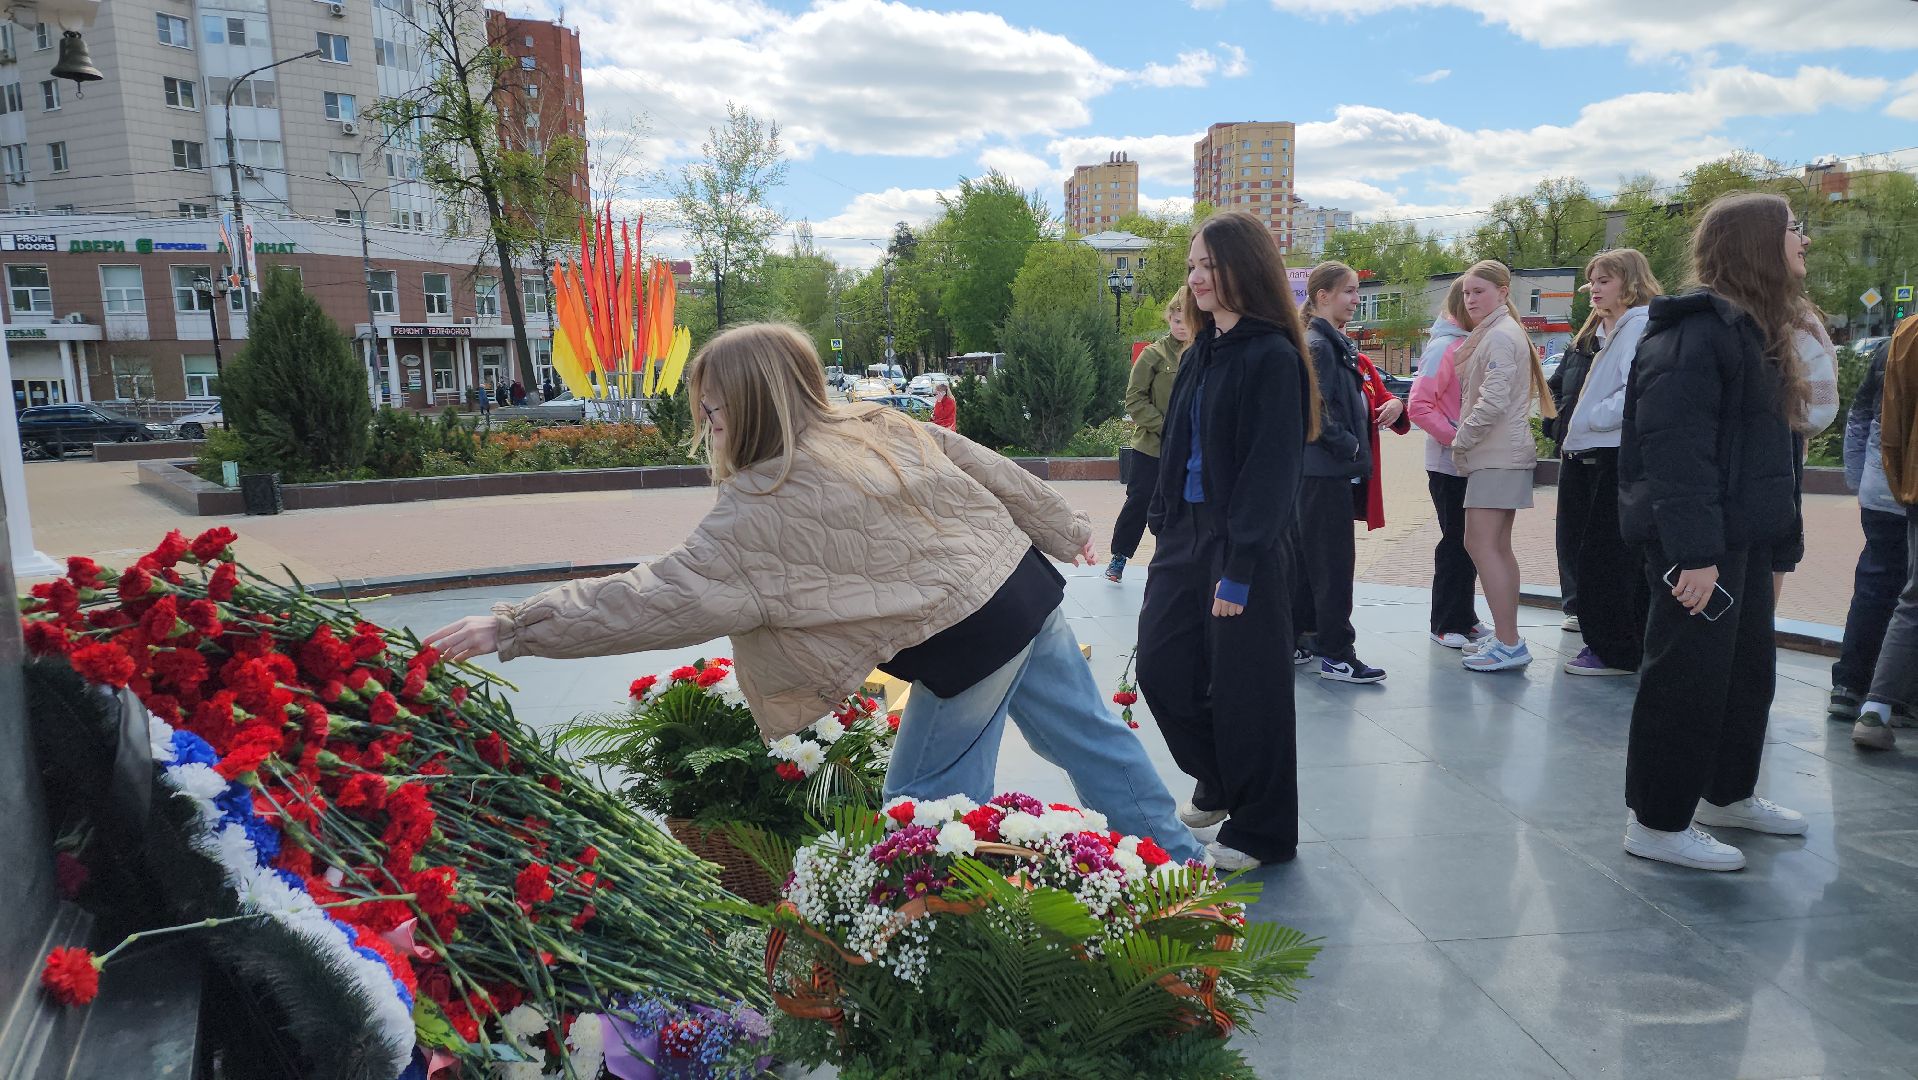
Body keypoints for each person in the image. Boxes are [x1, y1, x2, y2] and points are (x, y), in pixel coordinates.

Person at [422, 322, 1203, 862]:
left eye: (714, 410)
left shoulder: (754, 508)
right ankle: (1181, 864)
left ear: (751, 403)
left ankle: (948, 949)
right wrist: (1060, 523)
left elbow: (650, 596)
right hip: (1024, 591)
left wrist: (515, 627)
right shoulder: (872, 422)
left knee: (925, 809)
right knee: (1089, 737)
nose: (709, 426)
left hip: (968, 640)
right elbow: (981, 461)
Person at [1617, 192, 1814, 870]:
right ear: (1758, 242)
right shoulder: (1696, 331)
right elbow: (1673, 447)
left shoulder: (1756, 329)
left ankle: (1726, 794)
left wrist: (1778, 540)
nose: (1804, 241)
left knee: (1745, 674)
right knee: (1686, 681)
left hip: (1741, 540)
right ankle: (1657, 821)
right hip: (1700, 546)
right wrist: (1695, 554)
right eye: (1793, 229)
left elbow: (1772, 450)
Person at [1136, 211, 1319, 871]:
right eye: (1192, 266)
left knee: (1250, 690)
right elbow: (1173, 446)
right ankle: (1217, 778)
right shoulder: (1200, 351)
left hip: (1243, 545)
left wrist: (1239, 566)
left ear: (1244, 267)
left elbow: (1271, 471)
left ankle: (1264, 831)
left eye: (1208, 266)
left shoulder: (1272, 357)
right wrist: (1161, 521)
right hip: (1184, 539)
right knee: (1160, 669)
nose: (1196, 278)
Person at [1294, 260, 1403, 684]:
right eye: (1350, 291)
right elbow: (1314, 411)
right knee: (1333, 566)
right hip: (1324, 471)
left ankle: (1304, 638)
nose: (1357, 300)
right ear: (1323, 296)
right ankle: (1337, 654)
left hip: (1323, 471)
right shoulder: (1320, 345)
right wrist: (1350, 445)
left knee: (1311, 563)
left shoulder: (1330, 342)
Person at [1558, 249, 1662, 677]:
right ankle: (1617, 642)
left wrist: (1589, 418)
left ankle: (1614, 648)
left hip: (1612, 451)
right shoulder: (1614, 329)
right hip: (1599, 450)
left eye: (1604, 280)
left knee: (1606, 554)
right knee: (1600, 550)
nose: (1595, 289)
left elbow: (1633, 393)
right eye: (1592, 281)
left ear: (1630, 282)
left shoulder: (1637, 327)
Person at [1451, 260, 1556, 672]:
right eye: (1465, 292)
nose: (1470, 299)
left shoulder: (1499, 336)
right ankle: (1507, 635)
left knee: (1480, 544)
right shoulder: (1500, 333)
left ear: (1502, 292)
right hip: (1500, 455)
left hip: (1496, 456)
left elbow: (1491, 402)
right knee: (1494, 546)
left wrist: (1461, 439)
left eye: (1478, 291)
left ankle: (1510, 642)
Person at [1831, 337, 1909, 729]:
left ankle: (1849, 685)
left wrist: (1860, 479)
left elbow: (1860, 414)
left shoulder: (1893, 343)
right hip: (1901, 488)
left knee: (1875, 588)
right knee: (1907, 600)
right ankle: (1896, 697)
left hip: (1881, 488)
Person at [1408, 279, 1489, 649]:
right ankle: (1445, 622)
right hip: (1449, 464)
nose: (1475, 304)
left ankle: (1464, 616)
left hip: (1468, 461)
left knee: (1470, 541)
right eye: (1470, 297)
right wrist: (1457, 438)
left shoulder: (1467, 342)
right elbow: (1419, 405)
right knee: (1456, 540)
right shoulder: (1444, 347)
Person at [1854, 315, 1918, 750]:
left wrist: (1903, 483)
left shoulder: (1910, 331)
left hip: (1913, 483)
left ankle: (1875, 710)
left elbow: (1890, 419)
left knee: (1912, 598)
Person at [1107, 289, 1191, 583]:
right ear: (1169, 318)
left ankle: (1168, 563)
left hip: (1187, 450)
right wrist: (1167, 427)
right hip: (1152, 447)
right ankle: (1119, 556)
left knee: (1179, 507)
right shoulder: (1153, 355)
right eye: (1177, 320)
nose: (1182, 326)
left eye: (1188, 321)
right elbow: (1135, 400)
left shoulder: (1202, 354)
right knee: (1139, 501)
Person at [1545, 308, 1597, 634]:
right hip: (1572, 448)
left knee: (1599, 532)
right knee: (1570, 531)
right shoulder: (1579, 347)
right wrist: (1556, 420)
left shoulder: (1630, 339)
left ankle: (1595, 606)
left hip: (1605, 454)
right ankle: (1575, 605)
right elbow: (1554, 385)